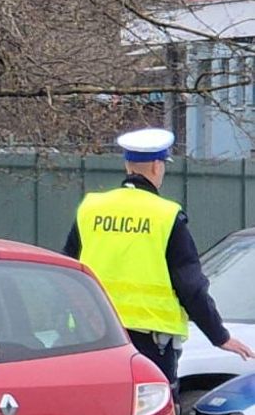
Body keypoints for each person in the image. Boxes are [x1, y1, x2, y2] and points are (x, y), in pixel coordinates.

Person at [63, 127, 254, 390]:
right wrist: (219, 336)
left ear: (127, 165)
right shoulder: (165, 216)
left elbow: (68, 271)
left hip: (92, 334)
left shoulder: (91, 208)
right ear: (156, 166)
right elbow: (191, 286)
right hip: (150, 342)